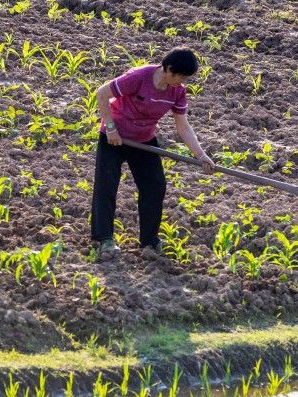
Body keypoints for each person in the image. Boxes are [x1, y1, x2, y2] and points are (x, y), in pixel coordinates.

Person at [91, 47, 213, 258]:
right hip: (115, 136)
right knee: (107, 185)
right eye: (181, 76)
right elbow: (102, 93)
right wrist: (110, 128)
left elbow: (183, 127)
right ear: (169, 69)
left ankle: (149, 241)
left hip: (143, 140)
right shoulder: (139, 77)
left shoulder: (178, 91)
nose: (183, 81)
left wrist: (201, 155)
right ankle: (104, 240)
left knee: (155, 186)